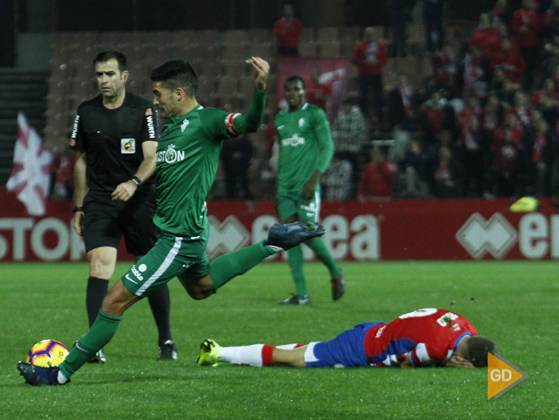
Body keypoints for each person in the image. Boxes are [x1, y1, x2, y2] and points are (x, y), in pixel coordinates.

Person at [18, 57, 326, 386]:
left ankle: (60, 374)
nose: (154, 100)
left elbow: (249, 123)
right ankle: (272, 243)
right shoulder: (170, 131)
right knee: (201, 287)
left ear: (178, 93)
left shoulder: (207, 121)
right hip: (182, 231)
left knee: (114, 300)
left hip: (179, 238)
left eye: (158, 94)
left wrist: (261, 89)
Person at [69, 50, 177, 362]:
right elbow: (81, 162)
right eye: (99, 74)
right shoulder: (86, 112)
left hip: (139, 198)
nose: (103, 80)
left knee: (148, 270)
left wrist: (134, 183)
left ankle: (166, 340)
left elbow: (152, 156)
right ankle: (93, 347)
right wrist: (78, 207)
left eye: (109, 74)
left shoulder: (142, 109)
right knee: (99, 266)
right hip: (101, 200)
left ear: (124, 76)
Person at [197, 308, 496, 369]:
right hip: (362, 348)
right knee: (295, 360)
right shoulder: (433, 349)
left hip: (376, 329)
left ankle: (225, 353)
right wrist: (446, 366)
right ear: (463, 359)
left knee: (309, 350)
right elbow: (407, 366)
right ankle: (218, 352)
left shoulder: (466, 324)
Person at [274, 75, 344, 305]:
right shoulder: (279, 120)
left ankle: (335, 271)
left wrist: (314, 179)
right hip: (284, 187)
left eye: (297, 89)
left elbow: (328, 147)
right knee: (290, 238)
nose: (292, 93)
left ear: (304, 92)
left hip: (306, 185)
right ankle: (302, 295)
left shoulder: (315, 114)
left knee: (305, 233)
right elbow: (283, 152)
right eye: (289, 89)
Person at [352, 28, 388, 127]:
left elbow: (384, 59)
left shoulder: (380, 45)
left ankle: (381, 121)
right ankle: (363, 120)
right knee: (363, 97)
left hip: (376, 73)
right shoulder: (360, 45)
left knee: (379, 97)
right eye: (368, 34)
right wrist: (364, 63)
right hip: (364, 74)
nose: (370, 35)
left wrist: (377, 62)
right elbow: (355, 60)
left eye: (371, 34)